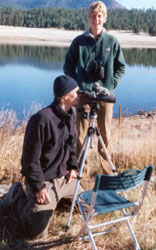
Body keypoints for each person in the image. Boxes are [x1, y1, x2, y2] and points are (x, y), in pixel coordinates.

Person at [0, 75, 84, 239]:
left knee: (89, 208)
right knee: (37, 232)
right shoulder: (41, 120)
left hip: (64, 179)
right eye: (76, 92)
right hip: (44, 180)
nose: (79, 94)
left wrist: (73, 166)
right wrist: (38, 186)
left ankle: (54, 202)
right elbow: (29, 159)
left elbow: (71, 144)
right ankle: (16, 195)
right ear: (64, 96)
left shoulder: (71, 113)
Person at [63, 1, 125, 174]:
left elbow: (121, 67)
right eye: (93, 16)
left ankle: (107, 174)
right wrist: (77, 84)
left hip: (105, 96)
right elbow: (68, 66)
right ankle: (80, 172)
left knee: (105, 135)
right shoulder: (79, 42)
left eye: (99, 16)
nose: (96, 19)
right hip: (83, 95)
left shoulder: (112, 41)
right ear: (88, 18)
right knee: (80, 135)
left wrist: (110, 85)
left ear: (104, 18)